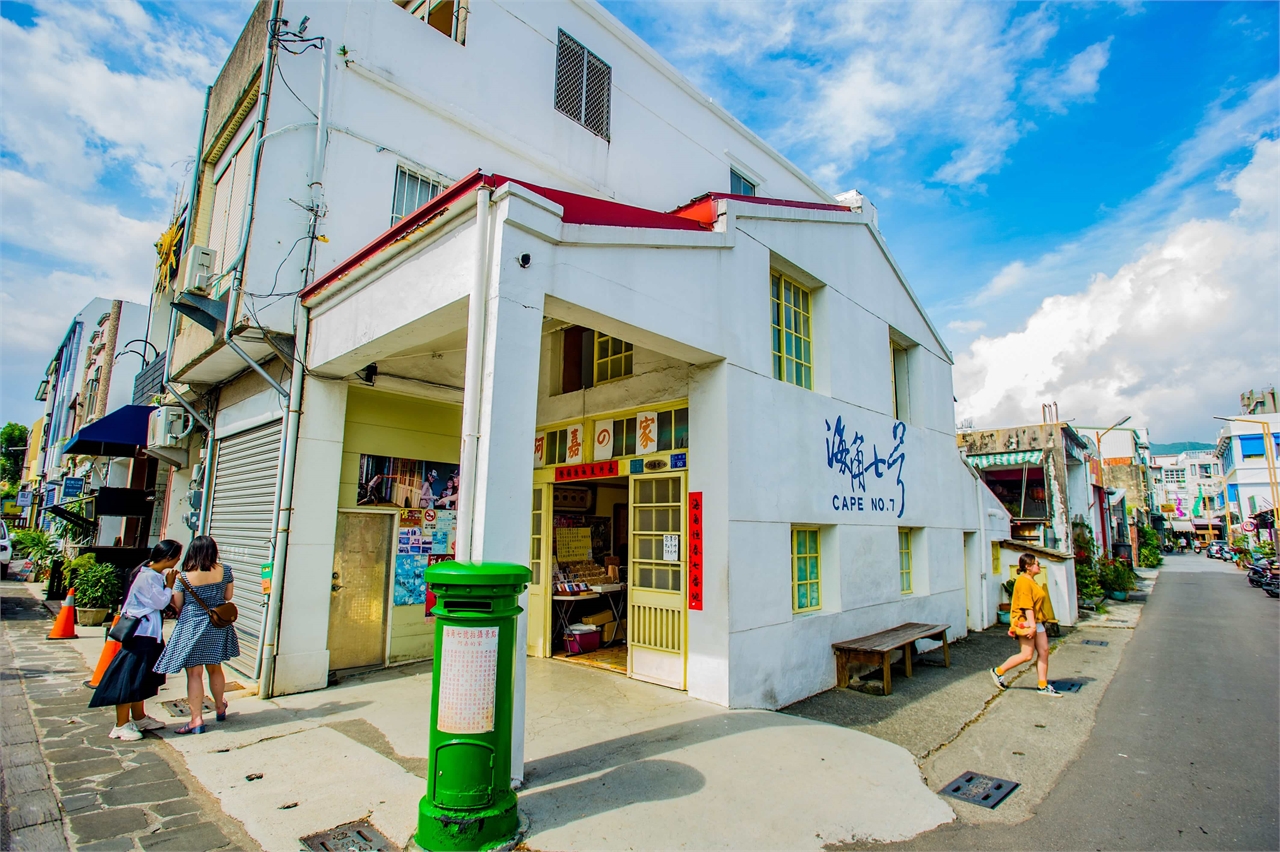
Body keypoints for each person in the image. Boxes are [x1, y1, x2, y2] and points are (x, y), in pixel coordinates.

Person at [89, 540, 183, 741]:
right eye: (176, 556)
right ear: (167, 558)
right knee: (129, 679)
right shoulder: (147, 578)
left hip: (149, 635)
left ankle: (139, 717)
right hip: (139, 635)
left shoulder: (152, 575)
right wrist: (169, 586)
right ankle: (121, 724)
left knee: (141, 679)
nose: (178, 560)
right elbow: (160, 602)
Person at [154, 536, 240, 734]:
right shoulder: (225, 570)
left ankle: (196, 720)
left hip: (191, 626)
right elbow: (227, 597)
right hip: (217, 624)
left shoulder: (183, 577)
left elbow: (178, 604)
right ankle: (220, 706)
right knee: (215, 668)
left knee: (194, 674)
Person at [990, 553, 1061, 697]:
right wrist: (1032, 626)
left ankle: (1043, 685)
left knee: (1044, 651)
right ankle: (998, 671)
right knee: (1027, 655)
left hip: (1036, 621)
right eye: (1036, 564)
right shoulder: (1023, 582)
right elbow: (1026, 606)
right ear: (1028, 567)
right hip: (1027, 622)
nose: (1039, 566)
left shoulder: (1031, 580)